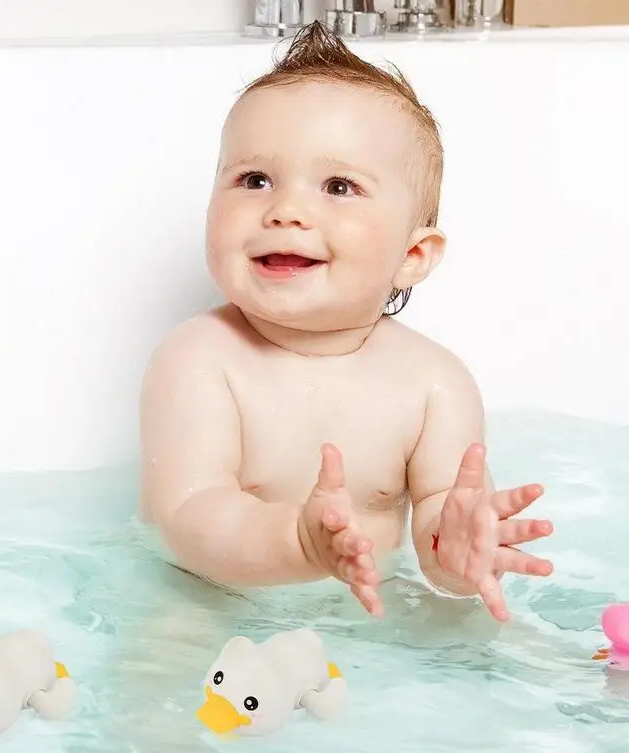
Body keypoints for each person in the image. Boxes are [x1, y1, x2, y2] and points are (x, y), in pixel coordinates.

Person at [138, 21, 554, 623]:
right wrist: (298, 544)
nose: (286, 210)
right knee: (161, 667)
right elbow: (190, 515)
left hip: (371, 610)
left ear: (412, 257)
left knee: (503, 650)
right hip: (211, 606)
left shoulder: (434, 383)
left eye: (339, 186)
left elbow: (444, 523)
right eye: (254, 180)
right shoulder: (199, 359)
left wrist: (459, 556)